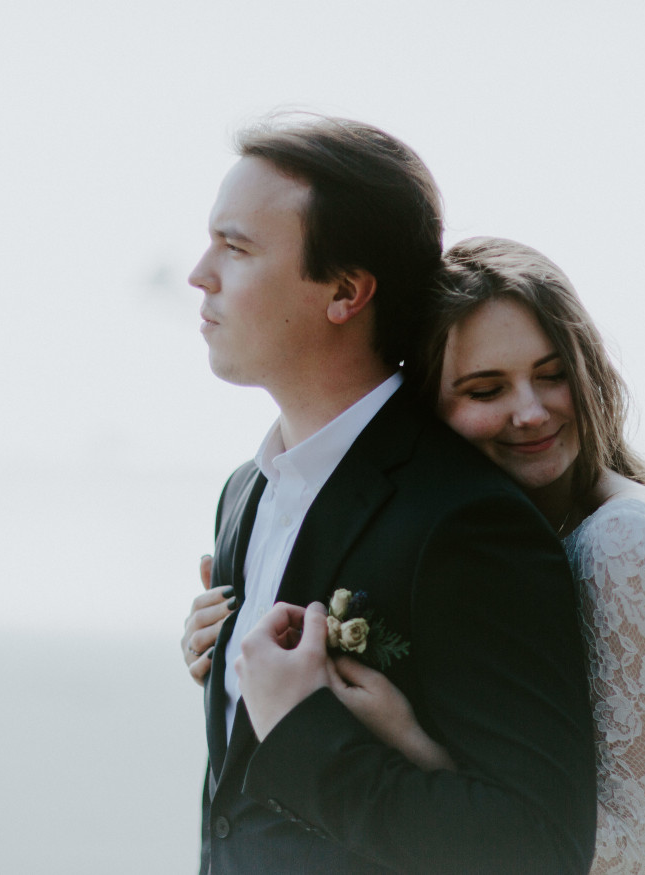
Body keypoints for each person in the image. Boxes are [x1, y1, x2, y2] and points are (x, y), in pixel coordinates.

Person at [185, 236, 645, 873]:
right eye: (487, 390)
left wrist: (410, 741)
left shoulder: (625, 538)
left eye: (552, 375)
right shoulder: (484, 540)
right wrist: (236, 646)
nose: (531, 411)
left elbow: (626, 847)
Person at [181, 117, 597, 875]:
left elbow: (538, 845)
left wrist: (300, 726)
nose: (199, 273)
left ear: (345, 290)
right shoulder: (245, 493)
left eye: (235, 247)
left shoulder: (464, 518)